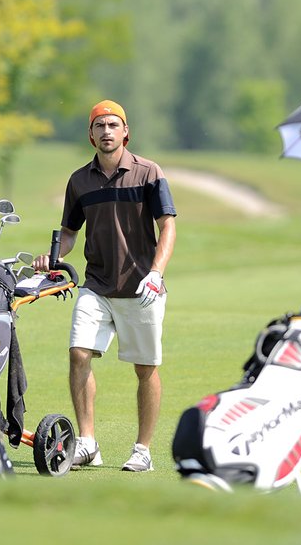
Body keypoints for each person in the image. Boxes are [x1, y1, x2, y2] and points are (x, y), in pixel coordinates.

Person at [34, 100, 176, 472]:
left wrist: (157, 272)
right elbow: (69, 232)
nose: (107, 131)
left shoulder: (149, 173)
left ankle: (143, 451)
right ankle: (87, 443)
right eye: (100, 126)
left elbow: (168, 227)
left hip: (142, 288)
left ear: (126, 131)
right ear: (90, 134)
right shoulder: (79, 181)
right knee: (79, 353)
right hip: (96, 285)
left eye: (114, 125)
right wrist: (53, 256)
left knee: (145, 369)